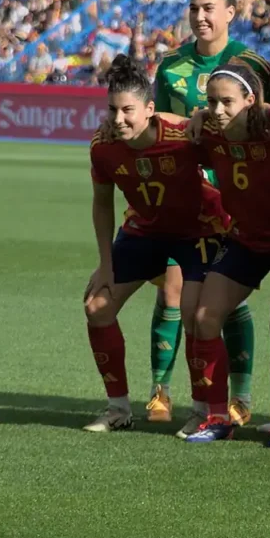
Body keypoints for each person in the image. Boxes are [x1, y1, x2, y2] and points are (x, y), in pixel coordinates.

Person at [150, 0, 270, 437]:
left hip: (238, 197)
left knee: (222, 300)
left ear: (230, 12)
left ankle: (237, 397)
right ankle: (167, 390)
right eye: (194, 8)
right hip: (185, 197)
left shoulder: (252, 64)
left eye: (209, 8)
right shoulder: (170, 66)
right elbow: (157, 127)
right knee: (174, 293)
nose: (200, 17)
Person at [82, 56, 229, 434]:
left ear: (150, 109)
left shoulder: (184, 137)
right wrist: (105, 264)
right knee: (97, 305)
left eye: (128, 110)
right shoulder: (103, 146)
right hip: (144, 231)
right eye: (112, 110)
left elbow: (231, 158)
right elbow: (102, 203)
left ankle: (204, 410)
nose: (118, 120)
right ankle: (118, 409)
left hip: (199, 229)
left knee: (196, 314)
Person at [184, 64, 270, 445]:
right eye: (211, 102)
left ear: (251, 102)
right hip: (244, 239)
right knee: (205, 317)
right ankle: (218, 417)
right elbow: (164, 123)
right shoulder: (209, 134)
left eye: (226, 103)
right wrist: (196, 115)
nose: (218, 111)